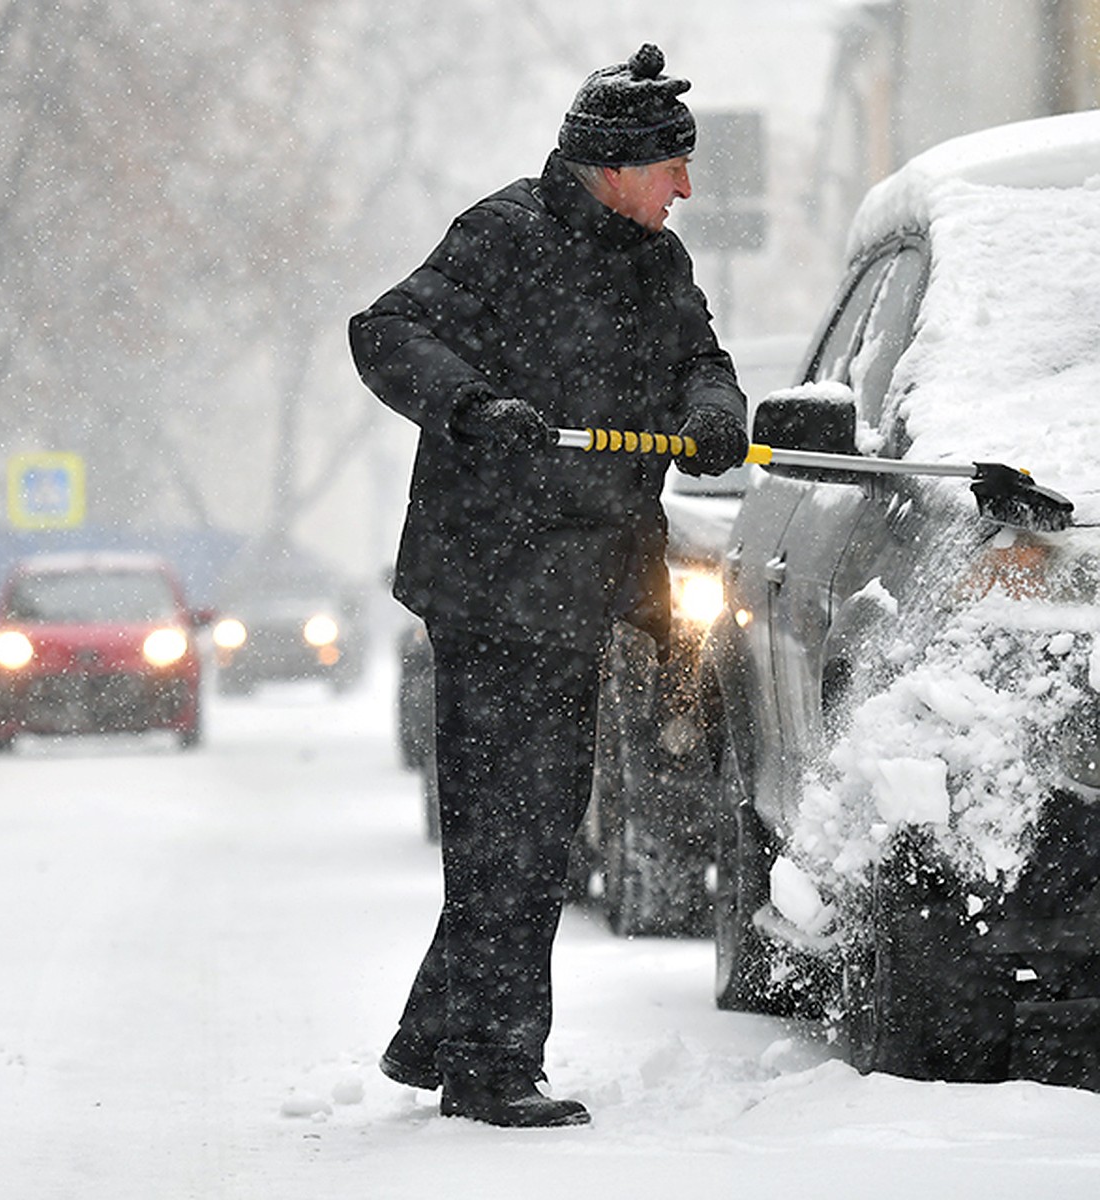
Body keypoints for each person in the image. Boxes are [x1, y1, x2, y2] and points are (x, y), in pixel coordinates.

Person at [348, 43, 747, 1128]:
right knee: (511, 832)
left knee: (533, 830)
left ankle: (438, 1037)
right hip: (490, 579)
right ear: (614, 166)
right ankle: (490, 1071)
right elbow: (385, 332)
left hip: (588, 582)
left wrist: (716, 416)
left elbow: (703, 362)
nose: (687, 187)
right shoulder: (503, 237)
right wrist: (474, 407)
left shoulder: (659, 267)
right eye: (674, 164)